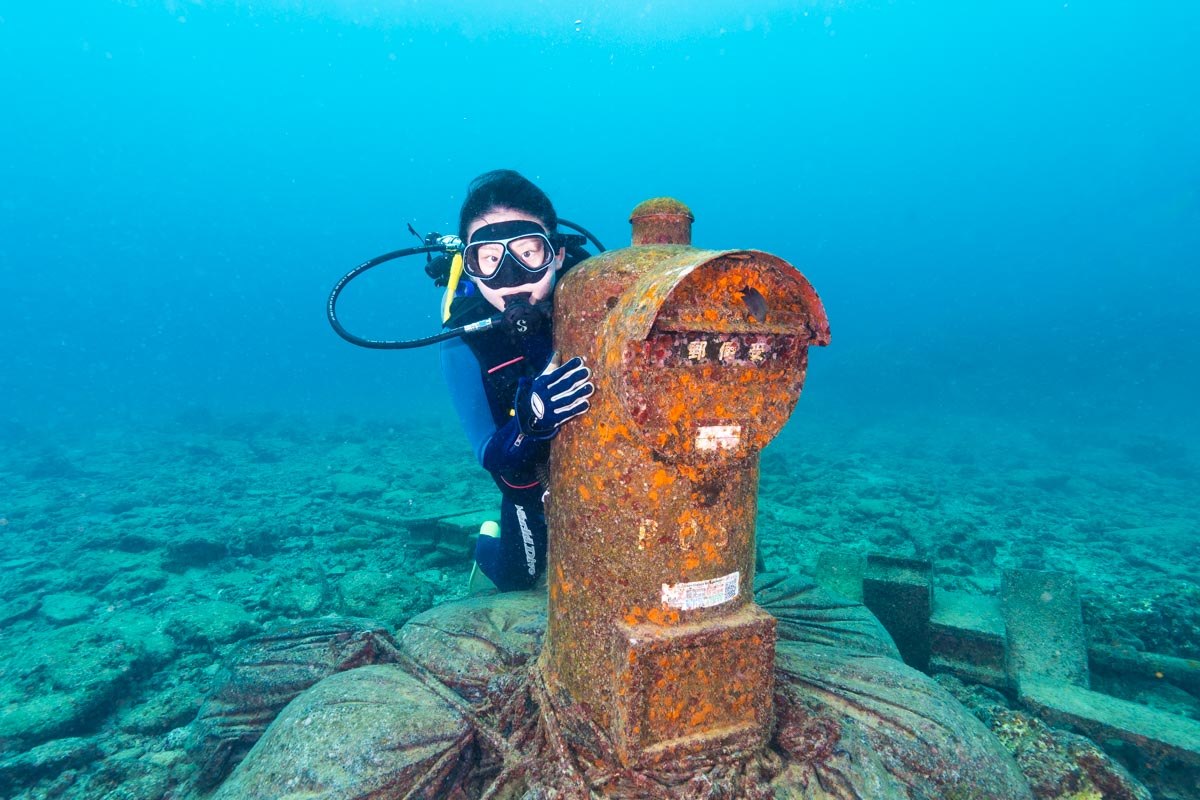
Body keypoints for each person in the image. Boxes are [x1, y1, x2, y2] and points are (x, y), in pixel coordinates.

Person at [441, 170, 594, 591]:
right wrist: (530, 425)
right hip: (528, 483)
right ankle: (487, 541)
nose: (511, 277)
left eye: (529, 253)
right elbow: (489, 452)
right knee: (519, 578)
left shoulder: (601, 302)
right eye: (489, 258)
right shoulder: (463, 343)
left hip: (604, 470)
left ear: (558, 255)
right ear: (470, 266)